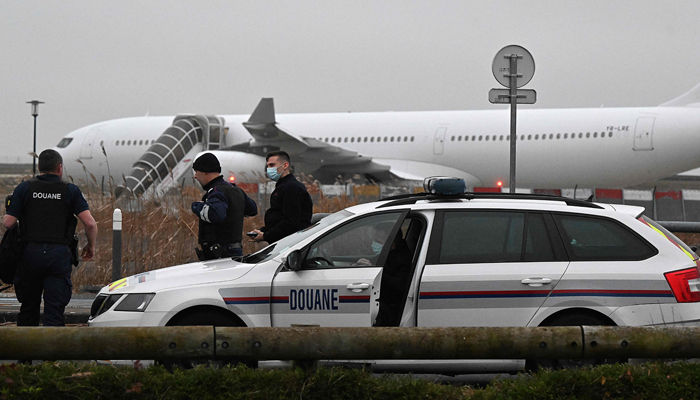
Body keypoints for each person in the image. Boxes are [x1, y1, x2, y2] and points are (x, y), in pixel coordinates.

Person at [2, 149, 97, 327]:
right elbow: (90, 224)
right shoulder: (71, 190)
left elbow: (8, 222)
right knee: (55, 310)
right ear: (60, 168)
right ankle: (52, 354)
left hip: (29, 255)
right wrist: (90, 246)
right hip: (58, 256)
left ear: (39, 167)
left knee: (28, 308)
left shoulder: (25, 188)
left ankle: (26, 353)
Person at [191, 152, 256, 260]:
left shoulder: (216, 192)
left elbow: (215, 214)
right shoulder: (235, 190)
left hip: (221, 257)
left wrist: (196, 206)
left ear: (205, 172)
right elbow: (252, 209)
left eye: (197, 171)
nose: (195, 176)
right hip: (235, 253)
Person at [249, 151, 313, 244]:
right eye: (268, 166)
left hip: (290, 243)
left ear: (285, 165)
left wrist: (265, 236)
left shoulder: (291, 187)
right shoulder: (283, 187)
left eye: (272, 165)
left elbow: (291, 222)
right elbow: (279, 218)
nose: (269, 169)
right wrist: (263, 231)